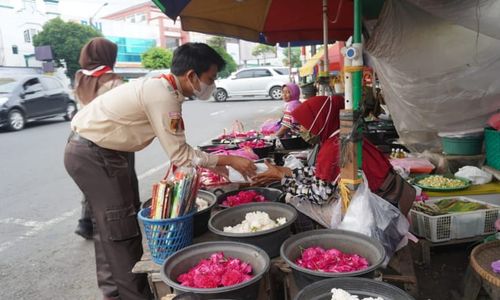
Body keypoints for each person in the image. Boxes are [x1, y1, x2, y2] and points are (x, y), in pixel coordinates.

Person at [64, 43, 256, 300]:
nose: (212, 85)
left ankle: (113, 293)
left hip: (104, 151)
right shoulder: (162, 93)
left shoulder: (164, 88)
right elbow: (180, 155)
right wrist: (229, 160)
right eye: (210, 79)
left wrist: (217, 163)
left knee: (109, 227)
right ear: (191, 75)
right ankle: (135, 295)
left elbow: (181, 150)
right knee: (121, 230)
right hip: (96, 155)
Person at [252, 95, 415, 230]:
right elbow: (326, 175)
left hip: (377, 210)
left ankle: (311, 238)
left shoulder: (332, 147)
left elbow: (319, 195)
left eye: (304, 124)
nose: (300, 129)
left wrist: (284, 181)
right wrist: (288, 172)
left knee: (291, 198)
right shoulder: (344, 136)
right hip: (393, 196)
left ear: (318, 120)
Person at [73, 37, 134, 241]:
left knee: (93, 182)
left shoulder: (80, 77)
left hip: (82, 135)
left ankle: (85, 222)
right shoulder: (112, 80)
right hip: (111, 137)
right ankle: (128, 217)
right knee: (123, 177)